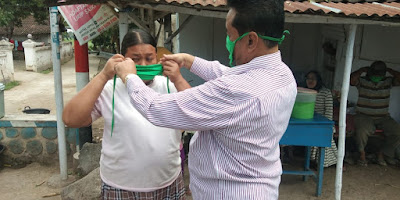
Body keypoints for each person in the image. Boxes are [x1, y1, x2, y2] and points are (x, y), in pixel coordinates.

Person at [109, 0, 297, 199]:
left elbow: (157, 108)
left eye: (229, 35)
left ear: (251, 40)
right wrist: (190, 61)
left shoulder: (235, 91)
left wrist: (129, 77)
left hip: (230, 193)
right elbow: (230, 75)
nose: (228, 41)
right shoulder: (283, 75)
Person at [62, 29, 187, 199]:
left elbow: (198, 114)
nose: (143, 65)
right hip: (121, 187)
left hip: (168, 183)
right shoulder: (110, 89)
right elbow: (71, 119)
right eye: (135, 59)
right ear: (122, 60)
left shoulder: (169, 85)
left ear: (157, 57)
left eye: (149, 58)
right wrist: (104, 75)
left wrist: (178, 79)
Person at [350, 60, 400, 166]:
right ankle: (362, 156)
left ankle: (381, 154)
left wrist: (390, 70)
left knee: (397, 131)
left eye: (379, 74)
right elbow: (351, 80)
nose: (376, 76)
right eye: (375, 73)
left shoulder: (388, 81)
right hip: (363, 115)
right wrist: (362, 70)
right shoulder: (362, 81)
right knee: (362, 130)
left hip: (383, 117)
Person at [305, 70, 338, 168]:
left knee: (323, 135)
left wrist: (327, 125)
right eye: (308, 78)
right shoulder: (304, 92)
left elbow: (328, 111)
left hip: (323, 122)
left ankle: (320, 162)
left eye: (313, 79)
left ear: (318, 80)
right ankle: (327, 161)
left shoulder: (325, 92)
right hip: (309, 123)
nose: (310, 81)